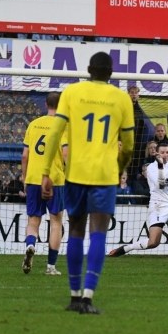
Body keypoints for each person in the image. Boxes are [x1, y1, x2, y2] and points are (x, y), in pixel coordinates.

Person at [40, 51, 135, 314]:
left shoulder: (71, 92)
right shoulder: (121, 98)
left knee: (75, 232)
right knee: (99, 233)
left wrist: (46, 172)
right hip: (104, 175)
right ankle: (88, 298)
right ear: (111, 73)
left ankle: (73, 297)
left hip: (75, 174)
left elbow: (56, 133)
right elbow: (128, 145)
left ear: (89, 69)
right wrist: (118, 167)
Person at [21, 92, 68, 276]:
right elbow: (65, 153)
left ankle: (31, 244)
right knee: (56, 222)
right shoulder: (62, 126)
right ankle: (50, 266)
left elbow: (25, 155)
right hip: (54, 180)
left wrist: (25, 178)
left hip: (33, 178)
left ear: (45, 104)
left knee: (33, 221)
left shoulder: (33, 125)